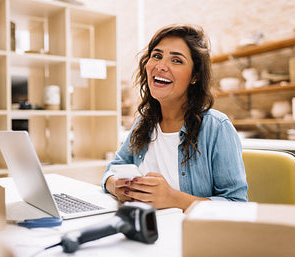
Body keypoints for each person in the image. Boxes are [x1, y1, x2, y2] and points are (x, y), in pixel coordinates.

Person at [102, 24, 248, 211]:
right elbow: (111, 170)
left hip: (190, 236)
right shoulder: (143, 123)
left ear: (194, 76)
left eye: (177, 60)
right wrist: (116, 185)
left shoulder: (217, 128)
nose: (161, 66)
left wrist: (174, 199)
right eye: (157, 56)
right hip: (145, 229)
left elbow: (237, 205)